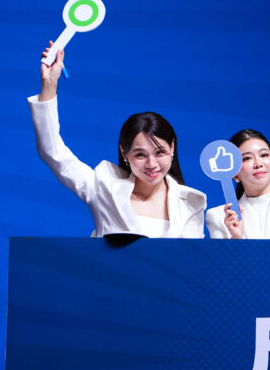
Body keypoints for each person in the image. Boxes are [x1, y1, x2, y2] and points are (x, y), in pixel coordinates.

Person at [29, 44, 206, 238]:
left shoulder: (191, 203)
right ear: (124, 153)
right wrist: (49, 84)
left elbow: (194, 257)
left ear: (172, 148)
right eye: (140, 154)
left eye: (160, 152)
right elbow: (52, 151)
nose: (152, 164)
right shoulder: (104, 187)